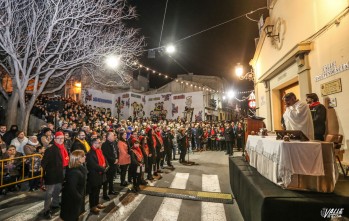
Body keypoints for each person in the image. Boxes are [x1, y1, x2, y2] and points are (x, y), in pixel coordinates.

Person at [41, 131, 69, 219]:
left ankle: (55, 204)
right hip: (52, 175)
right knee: (49, 193)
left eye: (62, 138)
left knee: (58, 190)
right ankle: (46, 210)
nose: (61, 140)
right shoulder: (50, 149)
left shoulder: (64, 148)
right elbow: (43, 163)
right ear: (55, 139)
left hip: (61, 173)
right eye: (59, 138)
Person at [60, 150, 87, 221]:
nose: (85, 157)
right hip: (72, 200)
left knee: (75, 215)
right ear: (77, 159)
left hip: (75, 198)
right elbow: (71, 188)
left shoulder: (79, 168)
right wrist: (79, 197)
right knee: (71, 216)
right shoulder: (74, 172)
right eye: (83, 156)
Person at [86, 138, 107, 214]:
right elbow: (93, 165)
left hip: (99, 174)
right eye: (98, 142)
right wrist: (103, 169)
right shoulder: (90, 153)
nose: (100, 143)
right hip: (94, 175)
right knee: (93, 191)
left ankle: (97, 203)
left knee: (98, 189)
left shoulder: (99, 151)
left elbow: (103, 159)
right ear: (94, 144)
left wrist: (105, 166)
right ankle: (92, 206)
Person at [101, 132, 118, 201]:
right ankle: (104, 194)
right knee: (106, 180)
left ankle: (111, 190)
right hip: (109, 164)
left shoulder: (114, 143)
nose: (114, 136)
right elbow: (106, 155)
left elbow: (116, 151)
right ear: (108, 137)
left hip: (114, 163)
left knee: (111, 178)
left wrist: (117, 158)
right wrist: (114, 160)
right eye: (112, 135)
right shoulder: (105, 145)